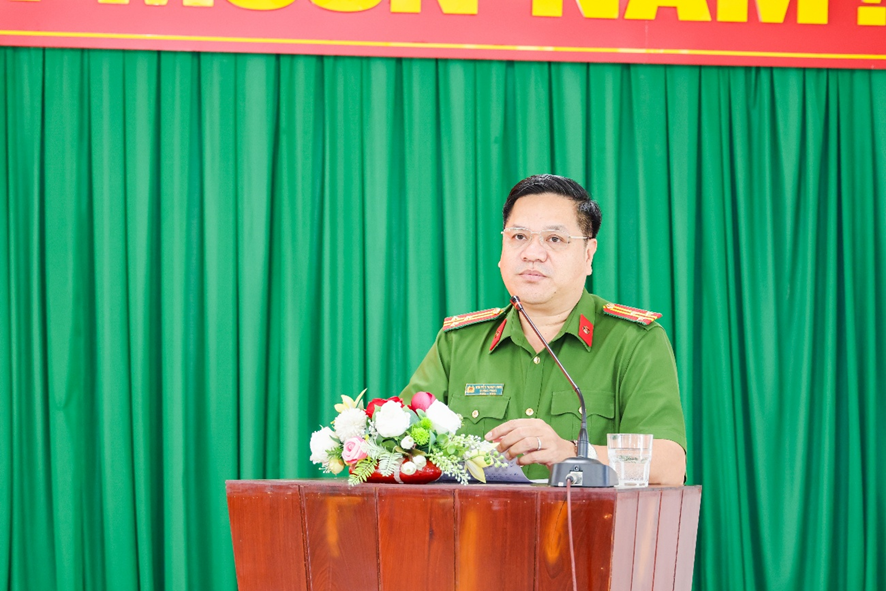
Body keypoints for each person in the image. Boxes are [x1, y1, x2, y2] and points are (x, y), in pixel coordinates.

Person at [400, 174, 687, 485]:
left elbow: (669, 466)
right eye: (519, 236)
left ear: (588, 254)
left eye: (554, 239)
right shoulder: (459, 342)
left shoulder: (634, 341)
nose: (532, 253)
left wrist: (573, 452)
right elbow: (395, 446)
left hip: (584, 518)